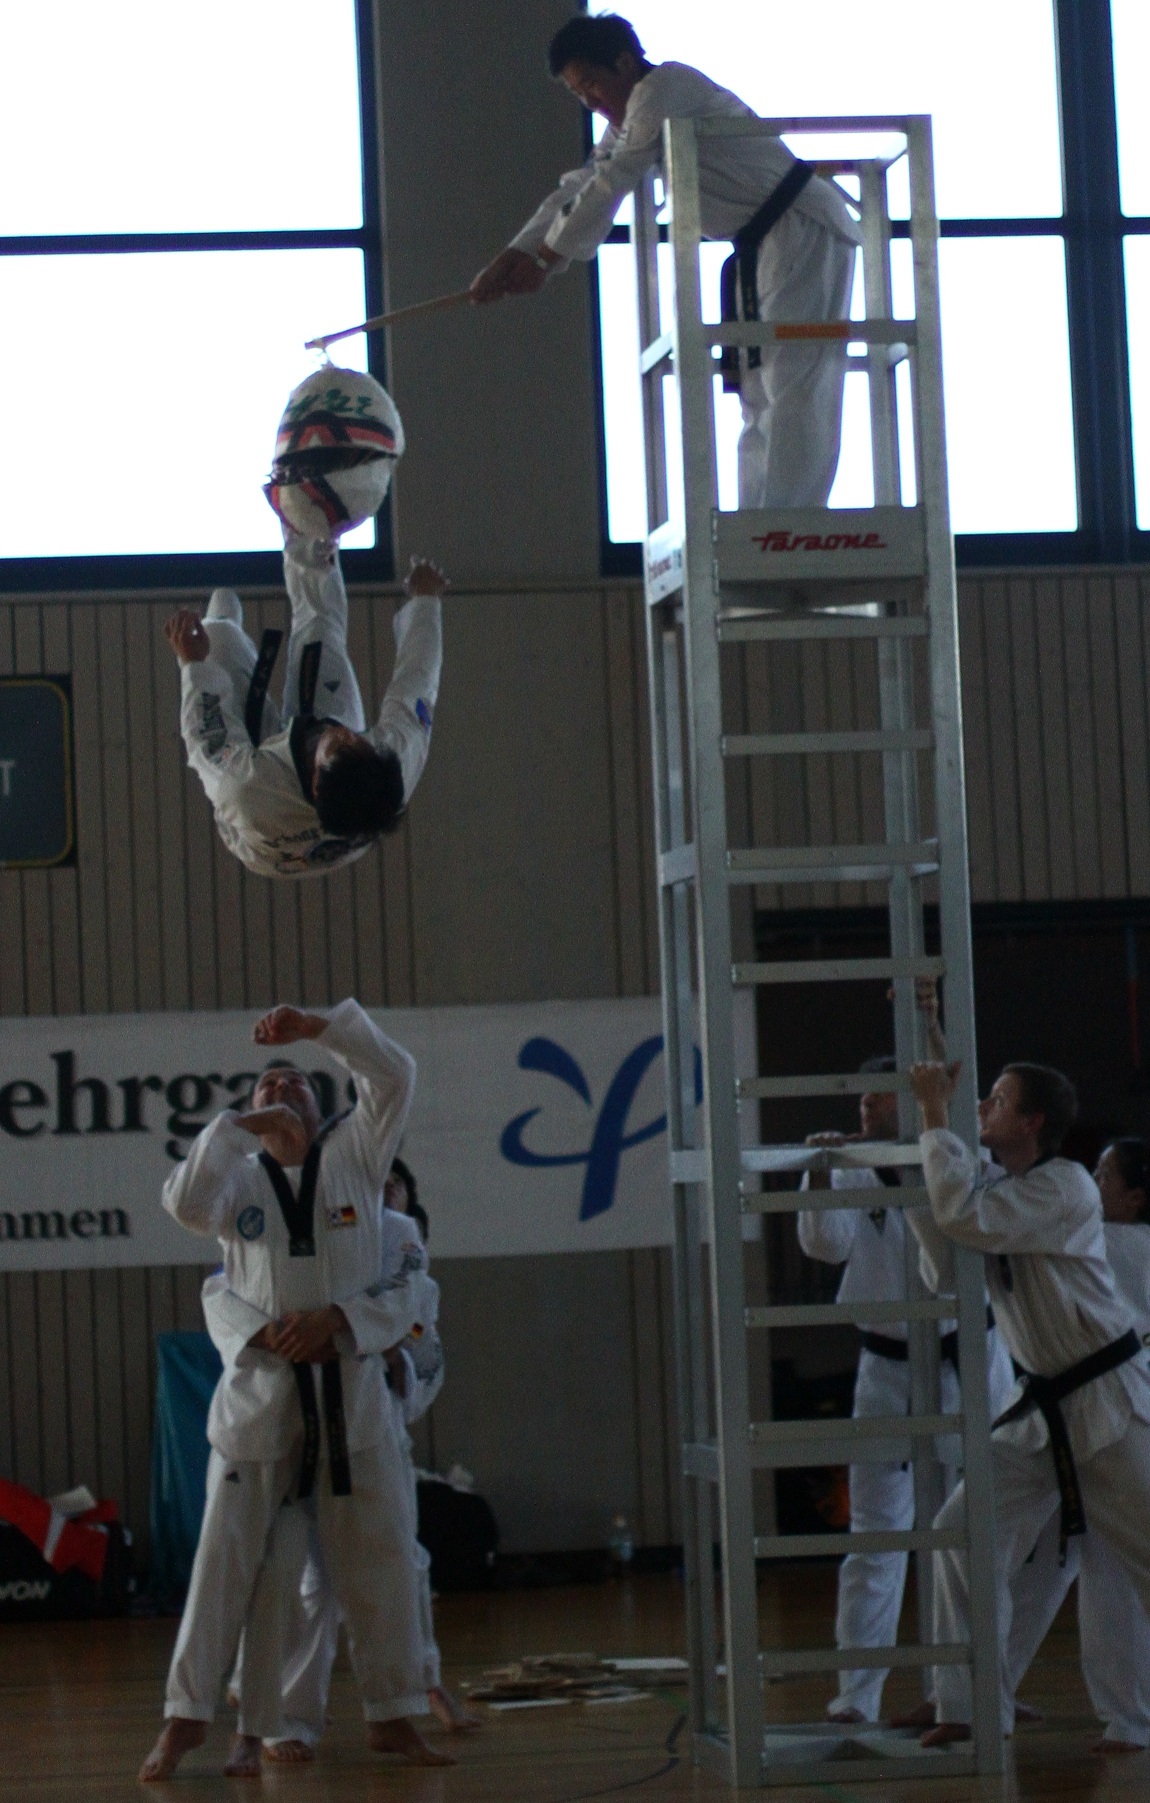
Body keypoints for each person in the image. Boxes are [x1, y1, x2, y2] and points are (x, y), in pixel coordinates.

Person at [139, 1000, 450, 1780]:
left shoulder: (357, 1156)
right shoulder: (234, 1180)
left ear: (322, 1104)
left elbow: (396, 1072)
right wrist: (239, 1128)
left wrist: (316, 1027)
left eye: (297, 1083)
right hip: (261, 1401)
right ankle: (185, 1719)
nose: (280, 1088)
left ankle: (394, 1714)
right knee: (224, 1563)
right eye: (265, 1086)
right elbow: (182, 1204)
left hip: (352, 1396)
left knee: (382, 1559)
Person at [469, 12, 860, 509]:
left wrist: (546, 260)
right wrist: (515, 253)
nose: (589, 101)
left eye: (591, 83)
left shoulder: (664, 89)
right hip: (762, 243)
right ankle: (761, 522)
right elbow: (582, 185)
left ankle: (789, 524)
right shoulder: (631, 119)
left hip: (802, 228)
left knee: (795, 382)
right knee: (759, 391)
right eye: (578, 93)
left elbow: (612, 182)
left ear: (624, 63)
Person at [905, 1060, 1150, 1748]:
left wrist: (934, 1121)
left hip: (1109, 1401)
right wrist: (920, 1152)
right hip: (1040, 1411)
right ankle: (972, 1706)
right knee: (962, 1530)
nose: (984, 1107)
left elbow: (966, 1213)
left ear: (1033, 1121)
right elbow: (944, 1265)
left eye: (999, 1100)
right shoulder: (1001, 1189)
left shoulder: (1066, 1185)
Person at [210, 1157, 478, 1760]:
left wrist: (391, 1360)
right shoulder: (302, 1245)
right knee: (305, 1576)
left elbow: (425, 1362)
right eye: (376, 1183)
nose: (385, 1193)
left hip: (373, 1432)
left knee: (401, 1564)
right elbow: (234, 1300)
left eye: (396, 1185)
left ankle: (410, 1693)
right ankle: (283, 1714)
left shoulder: (409, 1262)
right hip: (292, 1428)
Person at [797, 982, 1012, 1726]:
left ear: (912, 1100)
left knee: (967, 1529)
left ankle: (965, 1692)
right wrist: (819, 1171)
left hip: (965, 1356)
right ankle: (856, 1695)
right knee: (877, 1534)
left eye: (879, 1095)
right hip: (884, 1365)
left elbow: (952, 1076)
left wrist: (927, 1017)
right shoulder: (851, 1162)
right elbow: (825, 1246)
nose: (865, 1105)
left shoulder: (954, 1153)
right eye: (861, 1097)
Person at [167, 365, 446, 878]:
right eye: (359, 738)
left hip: (258, 841)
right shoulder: (389, 765)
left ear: (316, 782)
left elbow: (208, 741)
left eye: (340, 743)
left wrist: (195, 665)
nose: (348, 734)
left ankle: (223, 619)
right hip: (342, 810)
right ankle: (305, 520)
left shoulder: (248, 789)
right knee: (319, 627)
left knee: (220, 635)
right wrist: (426, 602)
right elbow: (417, 682)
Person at [1004, 1136, 1150, 1753]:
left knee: (1096, 1568)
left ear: (1134, 1197)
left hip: (1111, 1418)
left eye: (1104, 1174)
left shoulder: (1109, 1242)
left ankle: (1130, 1717)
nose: (1092, 1180)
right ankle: (994, 1687)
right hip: (1086, 1416)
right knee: (1056, 1564)